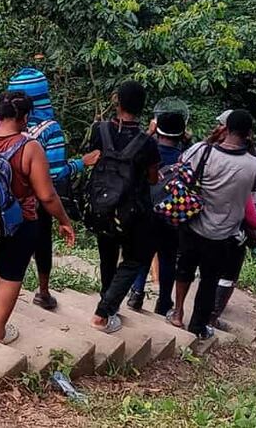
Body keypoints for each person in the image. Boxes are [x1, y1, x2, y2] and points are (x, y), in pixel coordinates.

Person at [0, 91, 76, 344]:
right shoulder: (29, 147)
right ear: (25, 116)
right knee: (11, 274)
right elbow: (47, 195)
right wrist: (64, 220)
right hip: (20, 221)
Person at [0, 69, 98, 310]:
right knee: (39, 244)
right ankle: (42, 292)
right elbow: (53, 175)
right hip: (31, 203)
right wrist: (80, 163)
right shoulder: (49, 129)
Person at [168, 110, 256, 338]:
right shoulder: (255, 166)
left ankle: (178, 313)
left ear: (225, 128)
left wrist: (210, 141)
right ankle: (198, 326)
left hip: (193, 223)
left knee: (184, 270)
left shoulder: (202, 151)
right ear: (249, 133)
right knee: (210, 279)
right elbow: (255, 191)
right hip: (224, 233)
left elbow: (182, 166)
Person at [89, 81, 161, 334]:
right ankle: (103, 312)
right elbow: (152, 178)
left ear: (117, 101)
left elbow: (95, 158)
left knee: (107, 256)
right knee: (136, 258)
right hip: (131, 212)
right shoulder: (148, 143)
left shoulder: (100, 130)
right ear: (142, 108)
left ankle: (108, 305)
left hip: (101, 206)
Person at [126, 109, 188, 314]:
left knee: (142, 253)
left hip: (145, 210)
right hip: (171, 215)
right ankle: (164, 302)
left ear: (157, 129)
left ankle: (136, 293)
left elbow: (128, 154)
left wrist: (148, 133)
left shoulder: (147, 149)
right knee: (168, 258)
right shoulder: (185, 157)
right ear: (181, 133)